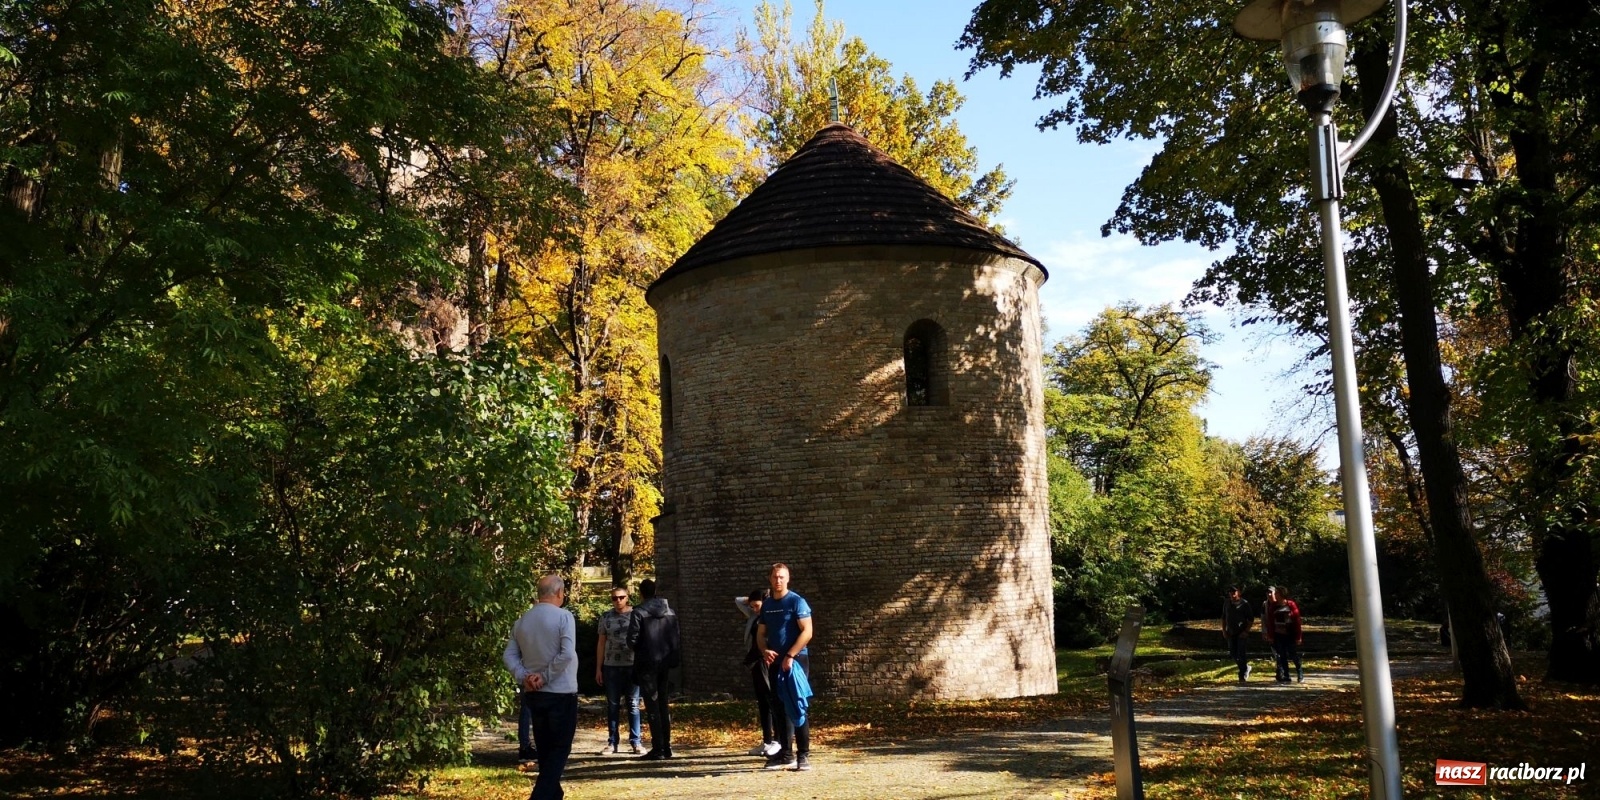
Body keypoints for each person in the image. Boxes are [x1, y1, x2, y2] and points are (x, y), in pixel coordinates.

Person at [503, 574, 579, 800]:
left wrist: (524, 676)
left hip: (534, 694)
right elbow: (567, 653)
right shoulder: (564, 617)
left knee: (546, 750)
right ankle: (540, 796)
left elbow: (509, 654)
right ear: (559, 593)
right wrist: (544, 677)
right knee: (559, 749)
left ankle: (554, 795)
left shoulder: (523, 620)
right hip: (561, 692)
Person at [757, 562, 813, 772]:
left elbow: (807, 631)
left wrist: (790, 655)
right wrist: (764, 650)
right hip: (775, 662)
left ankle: (804, 756)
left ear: (787, 579)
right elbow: (760, 634)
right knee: (779, 708)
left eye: (782, 577)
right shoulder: (768, 605)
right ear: (770, 579)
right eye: (775, 577)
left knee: (797, 706)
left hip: (795, 662)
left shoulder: (797, 602)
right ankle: (786, 754)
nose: (778, 580)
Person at [628, 578, 681, 760]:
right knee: (662, 704)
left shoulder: (639, 613)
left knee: (652, 705)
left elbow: (632, 640)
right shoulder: (670, 612)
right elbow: (676, 637)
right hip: (664, 662)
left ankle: (658, 747)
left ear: (641, 593)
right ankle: (666, 746)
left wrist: (643, 650)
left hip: (647, 664)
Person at [595, 586, 643, 755]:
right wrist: (598, 668)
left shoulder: (636, 615)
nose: (618, 601)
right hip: (611, 667)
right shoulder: (606, 617)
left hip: (631, 666)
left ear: (627, 597)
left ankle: (636, 742)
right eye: (614, 598)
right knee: (612, 705)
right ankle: (612, 742)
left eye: (621, 597)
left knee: (633, 704)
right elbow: (601, 643)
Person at [736, 587, 778, 757]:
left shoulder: (769, 617)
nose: (754, 609)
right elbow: (738, 600)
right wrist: (754, 599)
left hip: (764, 660)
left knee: (770, 699)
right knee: (762, 701)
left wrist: (766, 599)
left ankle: (777, 740)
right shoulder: (755, 615)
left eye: (757, 605)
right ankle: (767, 740)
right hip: (755, 662)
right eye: (752, 606)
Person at [1263, 585, 1303, 683]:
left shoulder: (1291, 605)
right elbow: (1271, 623)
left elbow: (1297, 622)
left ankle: (1299, 672)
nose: (1274, 595)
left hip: (1290, 634)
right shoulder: (1273, 606)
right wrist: (1270, 636)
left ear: (1282, 594)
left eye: (1276, 593)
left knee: (1293, 654)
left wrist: (1298, 637)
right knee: (1282, 656)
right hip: (1278, 635)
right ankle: (1286, 675)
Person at [1221, 586, 1254, 682]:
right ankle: (1245, 667)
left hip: (1241, 633)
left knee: (1241, 653)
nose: (1232, 594)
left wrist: (1246, 631)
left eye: (1234, 592)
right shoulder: (1227, 603)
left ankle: (1242, 673)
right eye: (1230, 592)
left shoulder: (1244, 604)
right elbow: (1223, 617)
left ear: (1238, 592)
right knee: (1232, 652)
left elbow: (1250, 619)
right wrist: (1224, 630)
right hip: (1230, 632)